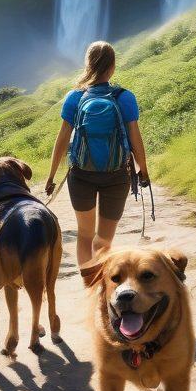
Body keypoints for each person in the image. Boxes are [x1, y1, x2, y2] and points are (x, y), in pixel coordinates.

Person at [45, 41, 150, 266]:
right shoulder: (125, 97)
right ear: (112, 67)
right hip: (117, 176)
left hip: (82, 175)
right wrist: (143, 170)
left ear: (88, 65)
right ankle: (100, 291)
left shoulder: (74, 98)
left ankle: (87, 286)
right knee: (104, 240)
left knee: (84, 235)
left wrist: (52, 176)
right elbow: (135, 138)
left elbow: (62, 139)